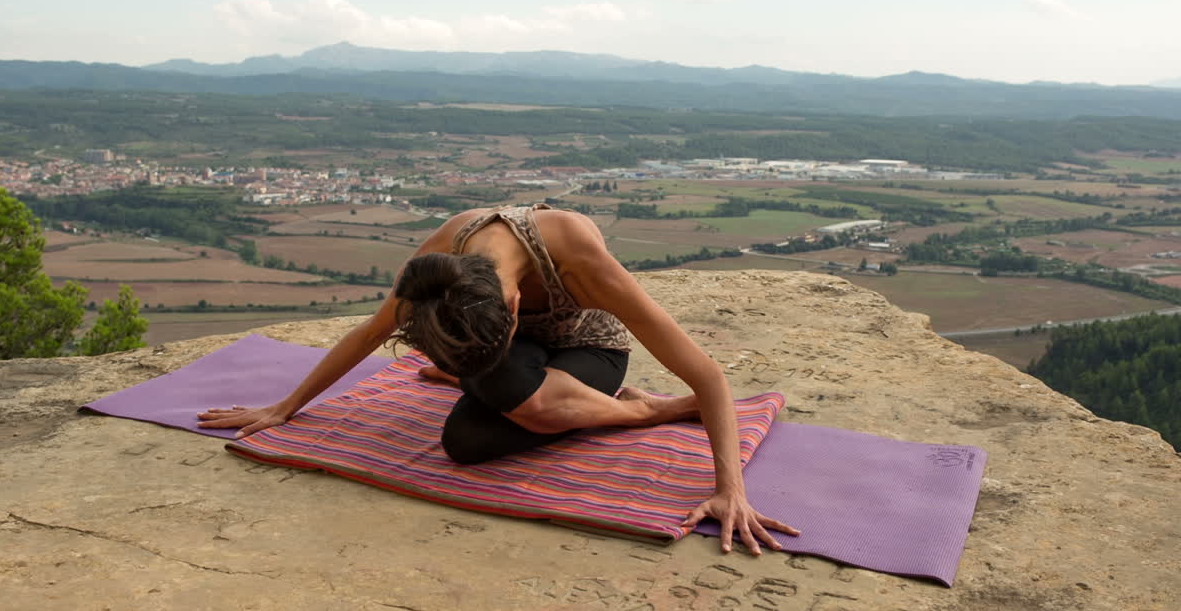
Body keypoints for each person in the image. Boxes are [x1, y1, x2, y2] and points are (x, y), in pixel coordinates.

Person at [198, 204, 799, 554]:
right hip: (507, 358)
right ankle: (507, 382)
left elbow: (708, 374)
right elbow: (370, 333)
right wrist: (286, 407)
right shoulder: (438, 267)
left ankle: (652, 410)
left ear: (510, 309)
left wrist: (731, 490)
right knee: (465, 444)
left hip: (586, 351)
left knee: (518, 401)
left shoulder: (578, 258)